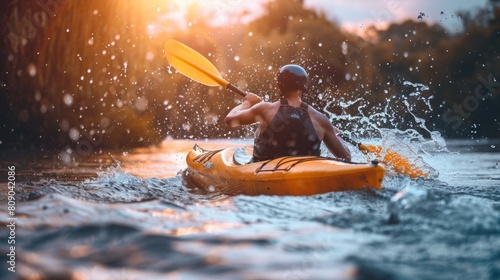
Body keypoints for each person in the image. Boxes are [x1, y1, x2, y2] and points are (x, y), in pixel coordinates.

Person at [225, 64, 351, 162]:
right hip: (305, 177)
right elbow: (346, 158)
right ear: (304, 87)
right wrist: (337, 135)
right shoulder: (320, 120)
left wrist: (247, 103)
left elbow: (230, 119)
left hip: (264, 172)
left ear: (279, 87)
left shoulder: (265, 110)